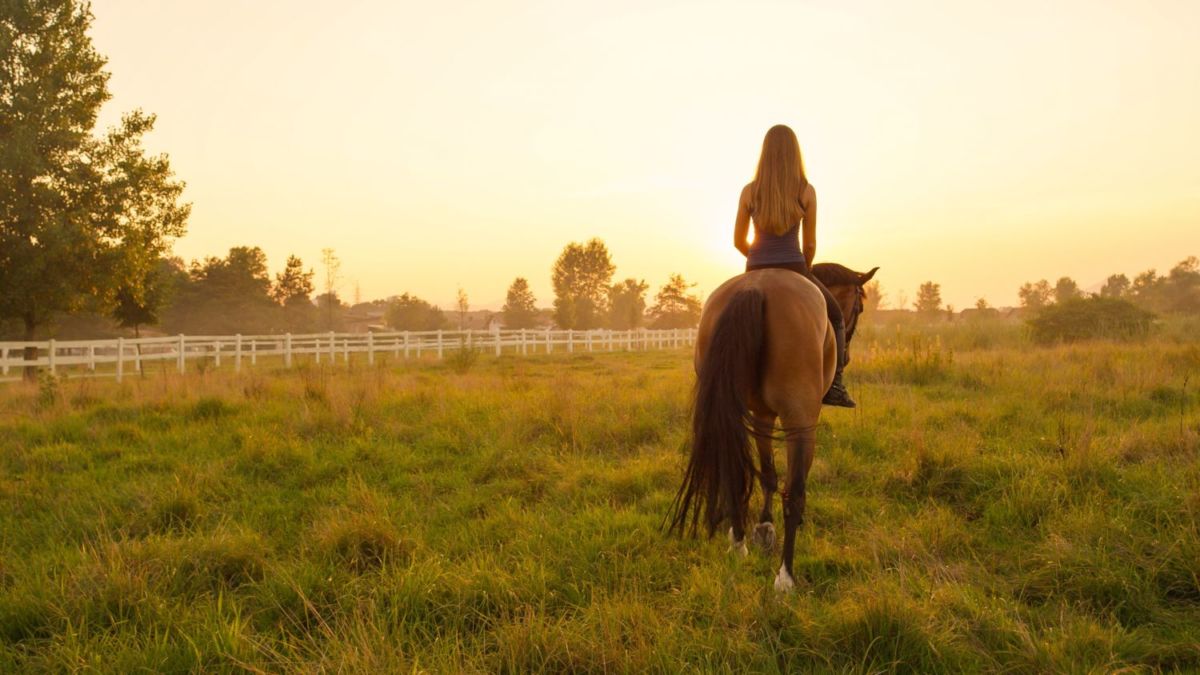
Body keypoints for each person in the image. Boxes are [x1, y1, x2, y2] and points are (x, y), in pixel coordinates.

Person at [733, 124, 856, 408]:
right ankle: (835, 385)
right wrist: (806, 269)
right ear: (794, 154)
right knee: (836, 316)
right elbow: (810, 245)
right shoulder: (806, 191)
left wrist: (756, 258)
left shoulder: (749, 191)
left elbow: (738, 240)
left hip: (754, 269)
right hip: (794, 266)